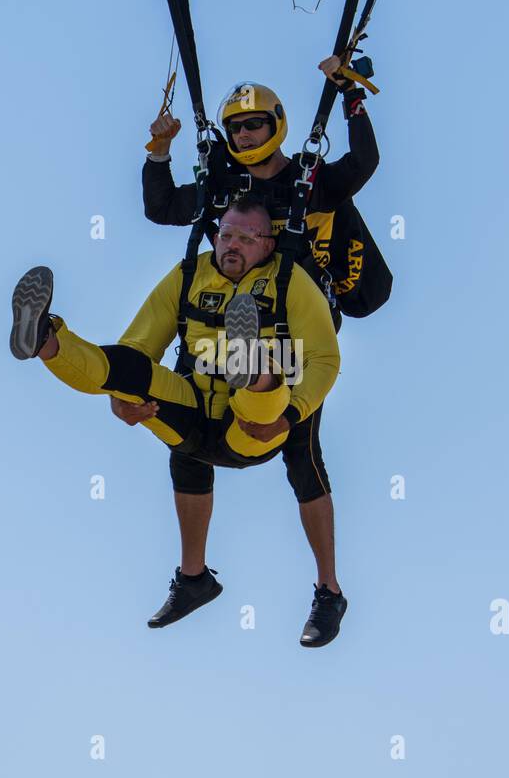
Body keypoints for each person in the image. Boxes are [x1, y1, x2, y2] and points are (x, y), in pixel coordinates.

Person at [9, 197, 345, 646]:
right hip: (192, 416)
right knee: (128, 371)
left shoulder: (290, 281)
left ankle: (255, 368)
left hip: (251, 429)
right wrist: (121, 402)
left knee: (263, 382)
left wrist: (290, 416)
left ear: (269, 244)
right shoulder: (189, 274)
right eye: (226, 234)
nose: (233, 245)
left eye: (247, 238)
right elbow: (137, 345)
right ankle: (47, 339)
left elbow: (324, 358)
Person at [122, 59, 377, 643]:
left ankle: (329, 592)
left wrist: (351, 99)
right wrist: (159, 150)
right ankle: (194, 578)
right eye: (236, 128)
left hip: (286, 330)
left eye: (254, 126)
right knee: (185, 438)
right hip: (214, 320)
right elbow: (161, 208)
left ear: (278, 126)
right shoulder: (222, 188)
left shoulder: (307, 182)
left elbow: (363, 164)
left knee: (301, 457)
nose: (243, 137)